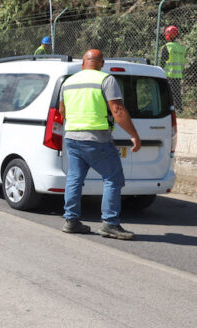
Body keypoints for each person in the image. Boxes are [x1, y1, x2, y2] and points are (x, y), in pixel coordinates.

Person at [59, 49, 140, 239]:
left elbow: (62, 111)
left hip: (72, 136)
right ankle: (110, 224)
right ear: (101, 63)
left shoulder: (68, 82)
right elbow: (118, 110)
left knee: (74, 179)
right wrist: (134, 135)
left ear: (83, 64)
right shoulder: (106, 80)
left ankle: (71, 221)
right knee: (113, 178)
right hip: (96, 139)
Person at [160, 25, 185, 112]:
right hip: (178, 74)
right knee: (177, 91)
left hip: (168, 73)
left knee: (167, 92)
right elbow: (182, 63)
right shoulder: (181, 48)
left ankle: (167, 108)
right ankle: (179, 108)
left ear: (168, 35)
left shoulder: (167, 47)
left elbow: (162, 61)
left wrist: (160, 71)